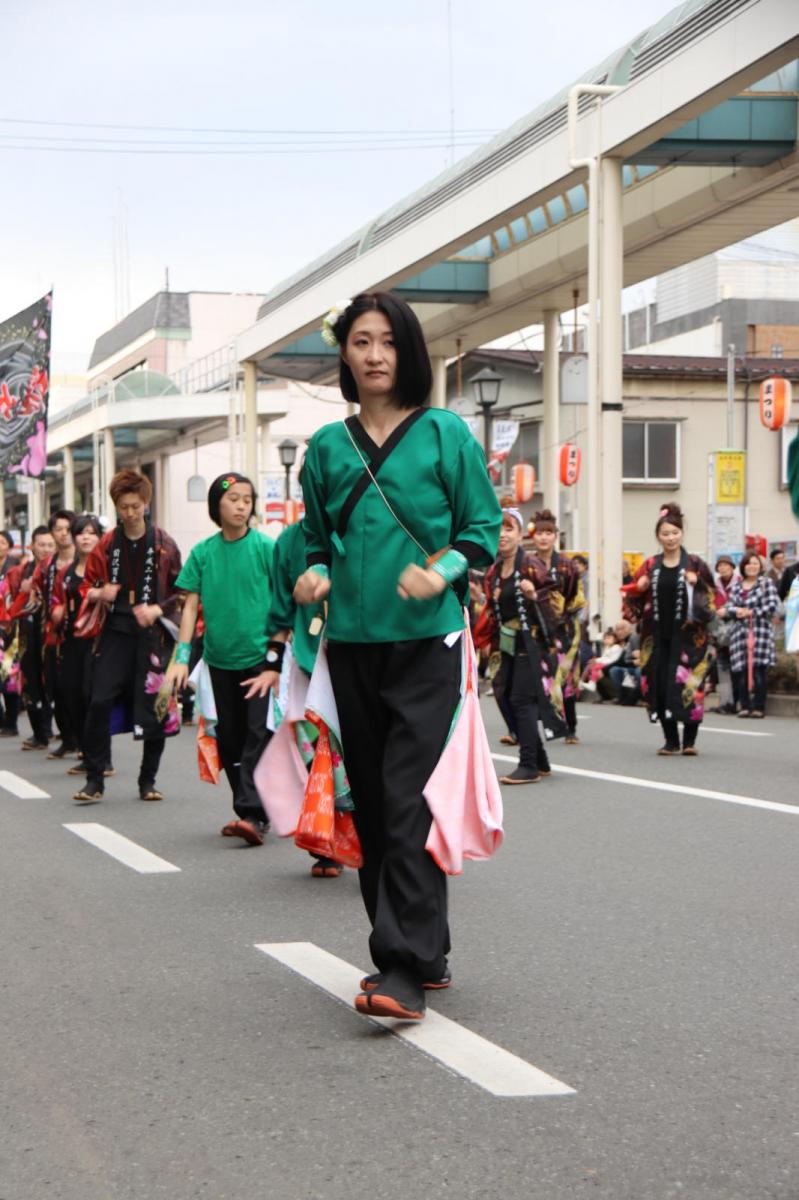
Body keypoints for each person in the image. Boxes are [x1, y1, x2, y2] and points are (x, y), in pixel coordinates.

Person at [293, 291, 501, 1021]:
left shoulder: (445, 434)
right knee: (378, 806)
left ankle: (400, 967)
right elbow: (315, 539)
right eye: (359, 342)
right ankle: (429, 946)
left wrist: (441, 570)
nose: (374, 354)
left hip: (428, 644)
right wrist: (314, 573)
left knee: (410, 798)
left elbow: (483, 529)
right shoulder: (324, 448)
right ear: (343, 355)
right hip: (351, 644)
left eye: (386, 341)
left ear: (406, 351)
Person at [167, 473, 275, 846]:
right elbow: (190, 607)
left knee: (258, 735)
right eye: (234, 499)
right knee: (229, 739)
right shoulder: (203, 553)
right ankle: (250, 811)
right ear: (217, 506)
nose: (242, 505)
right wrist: (181, 658)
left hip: (261, 661)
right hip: (219, 661)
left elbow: (283, 600)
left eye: (248, 499)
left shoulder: (266, 548)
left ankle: (252, 813)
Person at [74, 470, 182, 805]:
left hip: (153, 635)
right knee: (99, 700)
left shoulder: (164, 543)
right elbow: (85, 587)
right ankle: (94, 778)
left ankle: (147, 780)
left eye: (135, 506)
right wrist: (99, 593)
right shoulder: (107, 544)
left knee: (157, 706)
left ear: (146, 503)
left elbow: (183, 591)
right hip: (115, 632)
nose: (130, 513)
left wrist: (159, 610)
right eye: (124, 507)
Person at [624, 503, 715, 756]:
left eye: (675, 533)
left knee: (689, 684)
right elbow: (631, 601)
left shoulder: (695, 564)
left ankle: (689, 741)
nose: (670, 538)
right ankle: (670, 740)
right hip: (656, 637)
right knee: (660, 683)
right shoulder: (650, 565)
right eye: (665, 533)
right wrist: (638, 588)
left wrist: (698, 586)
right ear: (658, 536)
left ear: (682, 533)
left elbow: (715, 599)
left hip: (689, 639)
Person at [474, 507, 553, 783]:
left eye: (508, 529)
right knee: (502, 694)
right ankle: (540, 759)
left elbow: (553, 598)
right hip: (503, 642)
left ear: (520, 534)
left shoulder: (531, 564)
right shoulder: (494, 571)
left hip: (530, 642)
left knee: (521, 699)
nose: (502, 535)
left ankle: (529, 764)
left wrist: (535, 595)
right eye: (498, 529)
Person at [50, 514, 103, 773]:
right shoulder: (66, 572)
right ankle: (85, 749)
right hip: (71, 638)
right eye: (81, 532)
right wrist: (57, 611)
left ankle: (101, 756)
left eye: (92, 532)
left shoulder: (105, 569)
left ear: (99, 537)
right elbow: (57, 600)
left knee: (91, 694)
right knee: (70, 692)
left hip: (99, 639)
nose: (86, 537)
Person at [529, 510, 585, 744]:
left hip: (565, 629)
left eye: (548, 533)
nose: (543, 538)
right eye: (540, 533)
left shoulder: (567, 565)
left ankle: (570, 726)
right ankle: (550, 724)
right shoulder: (527, 563)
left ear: (556, 536)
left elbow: (577, 597)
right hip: (537, 629)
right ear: (534, 536)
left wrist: (562, 611)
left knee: (566, 678)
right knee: (543, 678)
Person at [4, 525, 55, 749]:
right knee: (30, 682)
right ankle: (41, 733)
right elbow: (10, 605)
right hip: (26, 633)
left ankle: (67, 734)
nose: (45, 549)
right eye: (41, 544)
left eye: (49, 545)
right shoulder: (19, 573)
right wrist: (25, 591)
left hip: (53, 634)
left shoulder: (61, 570)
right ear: (31, 546)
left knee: (55, 683)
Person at [35, 509, 77, 758]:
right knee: (56, 687)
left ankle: (84, 739)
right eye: (58, 529)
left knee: (81, 688)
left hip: (81, 633)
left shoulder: (87, 561)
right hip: (53, 634)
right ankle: (68, 738)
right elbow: (35, 595)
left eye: (67, 528)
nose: (63, 534)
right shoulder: (47, 566)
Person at [720, 551, 779, 718]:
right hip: (739, 634)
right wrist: (737, 610)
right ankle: (745, 705)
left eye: (755, 563)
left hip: (760, 632)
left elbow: (772, 606)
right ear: (743, 566)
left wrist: (750, 612)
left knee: (759, 670)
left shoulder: (766, 583)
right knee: (742, 671)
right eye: (748, 563)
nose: (752, 566)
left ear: (760, 566)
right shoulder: (737, 586)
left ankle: (759, 706)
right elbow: (728, 607)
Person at [0, 530, 22, 737]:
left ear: (9, 546)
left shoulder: (15, 568)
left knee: (9, 675)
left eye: (2, 542)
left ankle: (11, 721)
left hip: (9, 627)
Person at [712, 555, 738, 714]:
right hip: (719, 631)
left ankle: (735, 702)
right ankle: (725, 701)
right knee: (722, 666)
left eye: (726, 565)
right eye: (720, 566)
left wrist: (728, 611)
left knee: (736, 668)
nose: (723, 568)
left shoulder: (740, 582)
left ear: (732, 567)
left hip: (736, 629)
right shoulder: (714, 586)